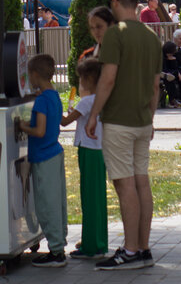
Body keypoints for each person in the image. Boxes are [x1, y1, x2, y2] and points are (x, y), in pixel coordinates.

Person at [86, 0, 162, 270]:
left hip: (118, 121)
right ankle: (143, 248)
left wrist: (93, 114)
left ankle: (130, 251)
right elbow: (156, 86)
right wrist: (151, 119)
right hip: (143, 121)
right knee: (142, 183)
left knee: (125, 185)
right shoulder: (151, 37)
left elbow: (108, 78)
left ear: (115, 1)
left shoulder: (116, 34)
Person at [18, 53, 67, 267]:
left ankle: (56, 252)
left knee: (46, 204)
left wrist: (22, 127)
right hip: (54, 152)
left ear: (35, 75)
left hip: (43, 156)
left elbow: (39, 130)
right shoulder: (54, 96)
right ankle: (59, 242)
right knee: (58, 202)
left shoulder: (41, 101)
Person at [61, 56, 108, 259]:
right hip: (100, 151)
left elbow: (64, 122)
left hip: (88, 150)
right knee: (97, 198)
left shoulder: (87, 100)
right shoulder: (104, 97)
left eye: (81, 80)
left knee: (88, 198)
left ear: (89, 80)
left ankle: (90, 246)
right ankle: (98, 241)